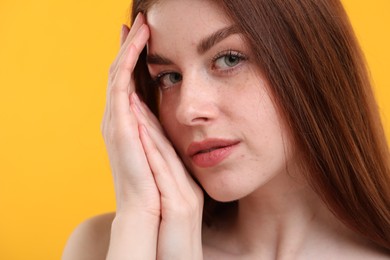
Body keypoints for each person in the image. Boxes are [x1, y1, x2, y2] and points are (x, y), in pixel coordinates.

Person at [62, 0, 390, 259]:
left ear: (312, 60)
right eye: (168, 77)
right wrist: (140, 219)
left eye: (229, 59)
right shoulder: (105, 246)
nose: (187, 110)